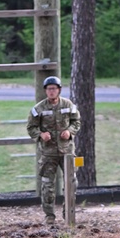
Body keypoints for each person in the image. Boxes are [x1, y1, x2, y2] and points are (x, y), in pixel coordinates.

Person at [26, 76, 81, 226]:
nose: (51, 91)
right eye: (49, 89)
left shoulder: (68, 105)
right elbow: (31, 127)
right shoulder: (38, 109)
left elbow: (77, 121)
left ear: (59, 90)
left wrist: (70, 131)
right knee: (47, 185)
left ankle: (68, 212)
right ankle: (49, 217)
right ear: (45, 91)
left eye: (54, 89)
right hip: (48, 153)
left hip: (67, 152)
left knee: (71, 182)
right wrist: (40, 135)